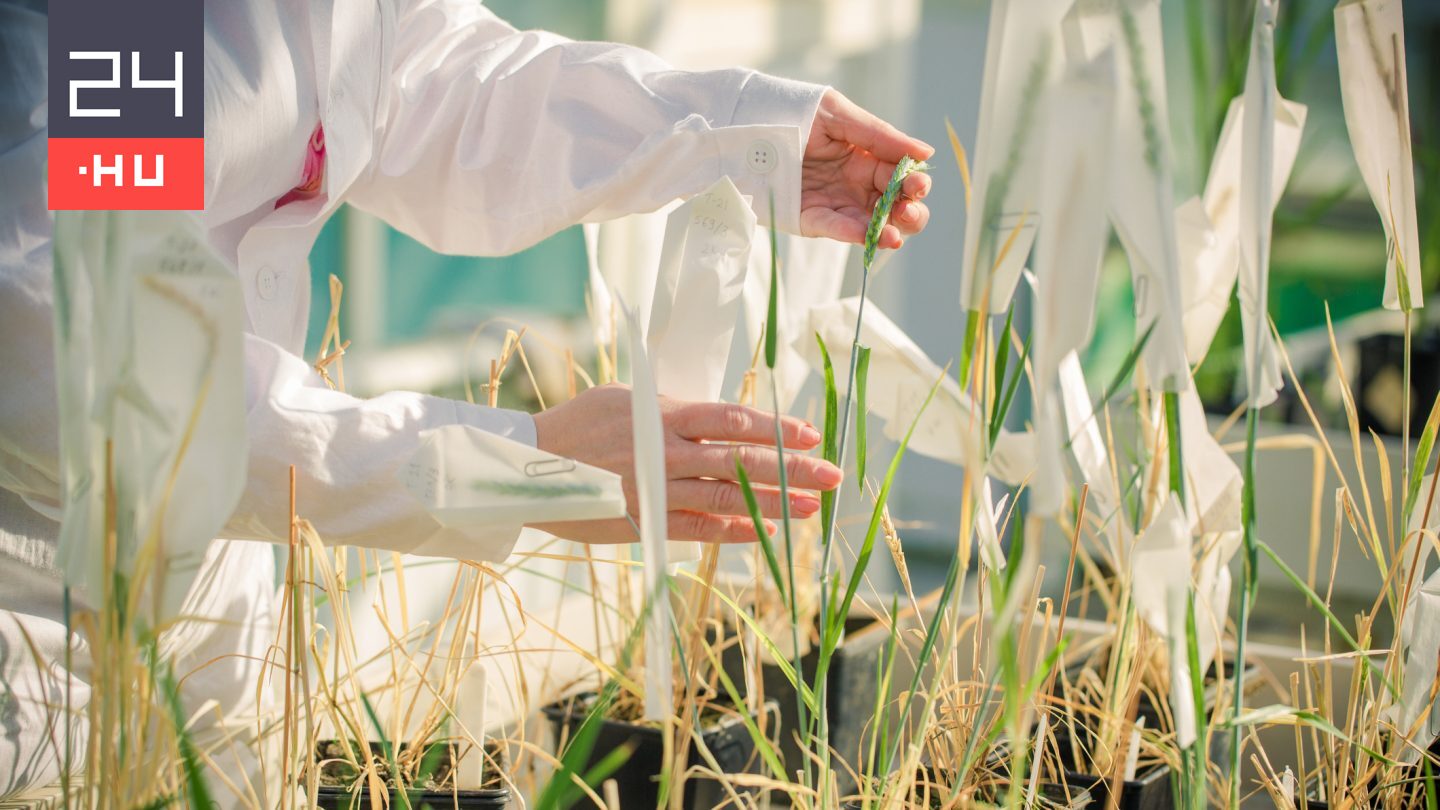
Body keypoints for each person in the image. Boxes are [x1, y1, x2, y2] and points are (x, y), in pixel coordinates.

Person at [0, 0, 932, 801]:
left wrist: (742, 134)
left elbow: (445, 83)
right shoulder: (116, 23)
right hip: (48, 639)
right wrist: (505, 467)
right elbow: (81, 352)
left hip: (220, 624)